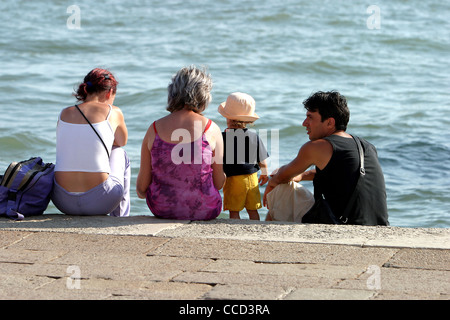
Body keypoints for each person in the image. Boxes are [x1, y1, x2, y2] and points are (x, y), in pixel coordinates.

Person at [263, 91, 389, 226]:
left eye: (310, 117)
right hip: (378, 227)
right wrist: (301, 175)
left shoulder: (318, 146)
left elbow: (282, 177)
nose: (304, 123)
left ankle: (265, 239)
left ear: (329, 122)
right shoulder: (366, 146)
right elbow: (342, 173)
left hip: (342, 226)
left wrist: (272, 183)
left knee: (280, 189)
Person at [136, 66, 225, 220]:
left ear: (173, 92)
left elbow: (141, 189)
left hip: (162, 208)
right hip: (205, 209)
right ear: (204, 95)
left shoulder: (154, 129)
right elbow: (218, 183)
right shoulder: (211, 128)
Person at [51, 68, 131, 216]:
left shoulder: (64, 113)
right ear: (109, 92)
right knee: (119, 152)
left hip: (62, 201)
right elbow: (121, 141)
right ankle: (120, 218)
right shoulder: (113, 111)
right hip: (101, 201)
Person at [218, 92, 269, 220]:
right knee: (253, 209)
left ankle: (235, 233)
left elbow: (217, 158)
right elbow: (261, 158)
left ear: (228, 118)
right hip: (252, 178)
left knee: (234, 211)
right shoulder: (253, 135)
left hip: (234, 180)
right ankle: (256, 229)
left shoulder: (223, 137)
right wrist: (264, 172)